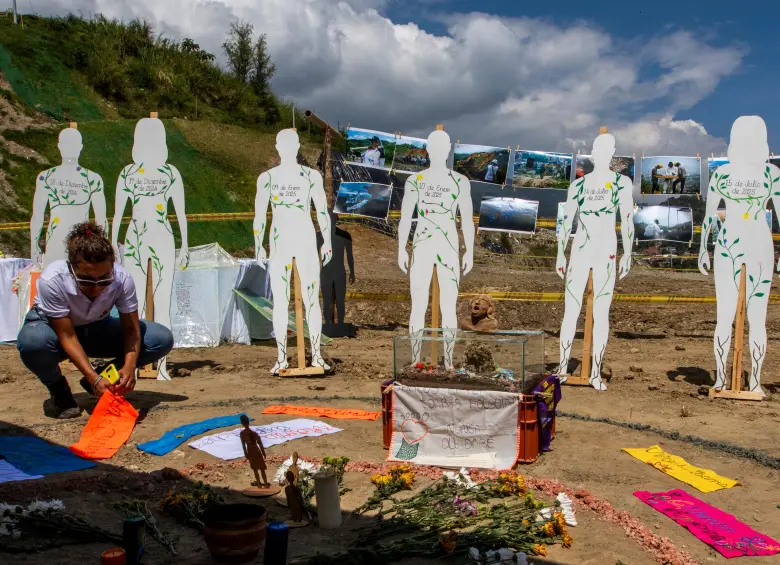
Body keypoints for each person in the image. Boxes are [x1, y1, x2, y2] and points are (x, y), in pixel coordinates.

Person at [16, 222, 174, 419]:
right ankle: (59, 390)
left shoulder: (122, 279)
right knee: (33, 342)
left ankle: (105, 377)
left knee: (160, 338)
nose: (96, 287)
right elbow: (67, 336)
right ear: (72, 269)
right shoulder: (52, 280)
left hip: (96, 327)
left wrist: (129, 366)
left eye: (104, 279)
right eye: (86, 280)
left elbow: (131, 330)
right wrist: (92, 376)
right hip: (54, 331)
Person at [556, 133, 634, 390]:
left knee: (601, 312)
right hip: (581, 248)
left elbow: (627, 219)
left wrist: (628, 253)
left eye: (606, 150)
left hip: (606, 250)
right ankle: (562, 366)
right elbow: (566, 220)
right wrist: (560, 252)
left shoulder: (621, 183)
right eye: (597, 150)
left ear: (612, 154)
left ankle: (595, 372)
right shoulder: (578, 185)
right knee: (570, 309)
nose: (601, 154)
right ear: (593, 153)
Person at [254, 129, 332, 374]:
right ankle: (281, 358)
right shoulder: (267, 178)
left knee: (312, 299)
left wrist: (327, 240)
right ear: (278, 147)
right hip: (280, 240)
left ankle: (316, 355)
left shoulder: (311, 176)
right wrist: (258, 243)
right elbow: (260, 215)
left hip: (305, 238)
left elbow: (322, 210)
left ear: (297, 147)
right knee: (281, 300)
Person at [316, 210, 355, 325]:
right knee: (328, 300)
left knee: (338, 300)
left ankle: (338, 323)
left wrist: (352, 272)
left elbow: (350, 256)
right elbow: (313, 255)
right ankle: (330, 323)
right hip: (330, 272)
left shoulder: (344, 235)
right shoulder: (320, 236)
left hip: (335, 272)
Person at [239, 414, 269, 488]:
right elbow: (260, 444)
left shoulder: (242, 434)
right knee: (262, 469)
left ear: (242, 423)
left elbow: (243, 445)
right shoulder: (254, 433)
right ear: (248, 422)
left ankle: (259, 484)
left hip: (250, 451)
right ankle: (265, 484)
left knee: (255, 469)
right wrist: (263, 453)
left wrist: (245, 453)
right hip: (256, 450)